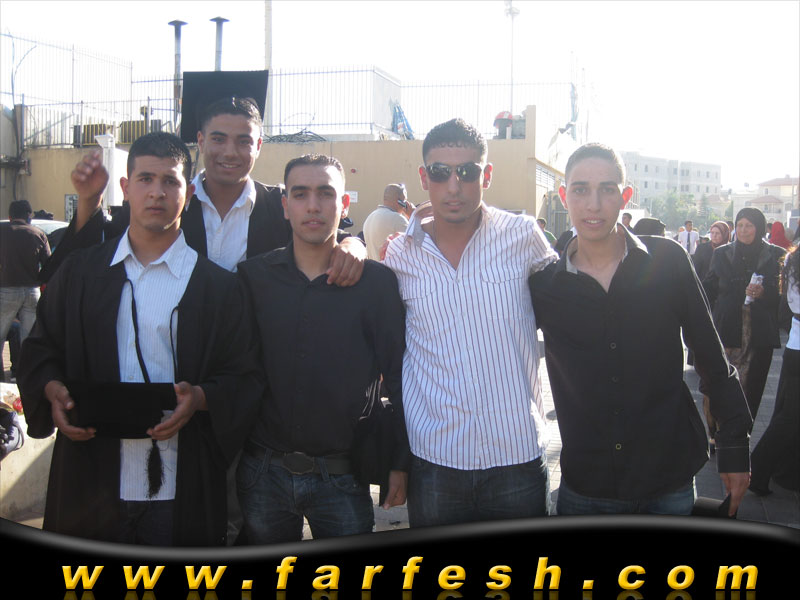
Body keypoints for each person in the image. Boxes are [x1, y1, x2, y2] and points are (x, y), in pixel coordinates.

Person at [17, 132, 262, 546]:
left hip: (181, 488)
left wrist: (200, 398)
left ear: (189, 193)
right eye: (145, 179)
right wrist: (52, 390)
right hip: (91, 482)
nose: (157, 192)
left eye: (170, 181)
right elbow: (41, 348)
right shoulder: (81, 274)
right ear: (125, 188)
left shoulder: (218, 289)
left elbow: (246, 375)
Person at [529, 143, 751, 516]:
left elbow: (712, 360)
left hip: (668, 479)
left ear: (625, 196)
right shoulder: (546, 285)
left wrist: (734, 449)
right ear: (564, 197)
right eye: (581, 190)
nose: (593, 204)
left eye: (607, 189)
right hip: (587, 485)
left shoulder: (667, 261)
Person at [383, 118, 557, 527]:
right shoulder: (400, 256)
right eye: (440, 172)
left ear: (487, 175)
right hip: (435, 461)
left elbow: (571, 299)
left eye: (467, 172)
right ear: (424, 178)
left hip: (517, 457)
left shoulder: (523, 237)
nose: (454, 186)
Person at [236, 154, 409, 543]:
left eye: (325, 194)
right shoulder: (254, 278)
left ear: (343, 204)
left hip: (344, 477)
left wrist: (400, 461)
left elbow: (400, 376)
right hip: (263, 473)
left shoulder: (376, 284)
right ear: (285, 206)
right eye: (300, 194)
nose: (313, 206)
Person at [40, 96, 365, 284]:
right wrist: (89, 199)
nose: (230, 153)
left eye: (243, 141)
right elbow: (85, 259)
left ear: (259, 146)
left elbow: (327, 236)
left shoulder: (278, 206)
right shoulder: (169, 206)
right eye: (218, 139)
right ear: (200, 141)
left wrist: (353, 245)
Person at [703, 207, 786, 423]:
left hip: (758, 333)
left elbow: (784, 297)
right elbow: (709, 288)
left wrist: (764, 293)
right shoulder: (722, 253)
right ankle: (718, 433)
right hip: (727, 328)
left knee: (752, 388)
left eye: (749, 225)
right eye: (739, 225)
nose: (743, 230)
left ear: (759, 228)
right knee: (721, 385)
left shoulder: (776, 255)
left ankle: (743, 432)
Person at [748, 240, 800, 495]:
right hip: (796, 347)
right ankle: (757, 469)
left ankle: (770, 471)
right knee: (789, 418)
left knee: (789, 415)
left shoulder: (793, 258)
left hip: (795, 346)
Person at [0, 200, 51, 382]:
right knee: (29, 339)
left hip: (6, 290)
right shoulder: (38, 233)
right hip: (32, 291)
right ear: (29, 216)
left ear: (10, 216)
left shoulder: (2, 232)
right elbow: (48, 266)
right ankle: (25, 378)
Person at [363, 183, 414, 260]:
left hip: (373, 265)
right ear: (399, 202)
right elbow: (416, 246)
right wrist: (413, 216)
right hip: (390, 267)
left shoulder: (370, 217)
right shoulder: (398, 219)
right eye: (405, 201)